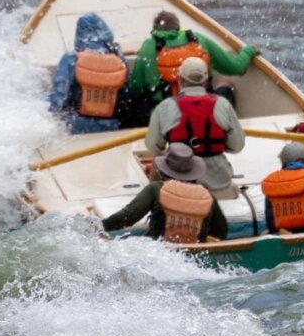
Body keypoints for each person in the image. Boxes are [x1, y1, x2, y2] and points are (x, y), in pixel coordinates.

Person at [144, 56, 246, 192]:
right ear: (205, 82)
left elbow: (154, 146)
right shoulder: (223, 105)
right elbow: (237, 146)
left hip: (181, 183)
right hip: (219, 181)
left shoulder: (165, 107)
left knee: (157, 165)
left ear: (180, 80)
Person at [128, 11, 260, 114]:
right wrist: (248, 51)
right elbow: (237, 68)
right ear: (178, 28)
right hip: (204, 111)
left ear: (155, 30)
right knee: (226, 85)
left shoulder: (147, 48)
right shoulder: (199, 40)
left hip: (165, 116)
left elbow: (135, 90)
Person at [100, 142, 228, 243]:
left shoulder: (156, 189)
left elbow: (127, 217)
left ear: (164, 170)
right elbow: (221, 232)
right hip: (196, 255)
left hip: (160, 252)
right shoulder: (206, 195)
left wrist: (100, 226)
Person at [47, 12, 128, 134]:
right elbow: (127, 92)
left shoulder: (71, 59)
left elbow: (58, 98)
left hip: (76, 126)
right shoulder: (120, 59)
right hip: (111, 126)